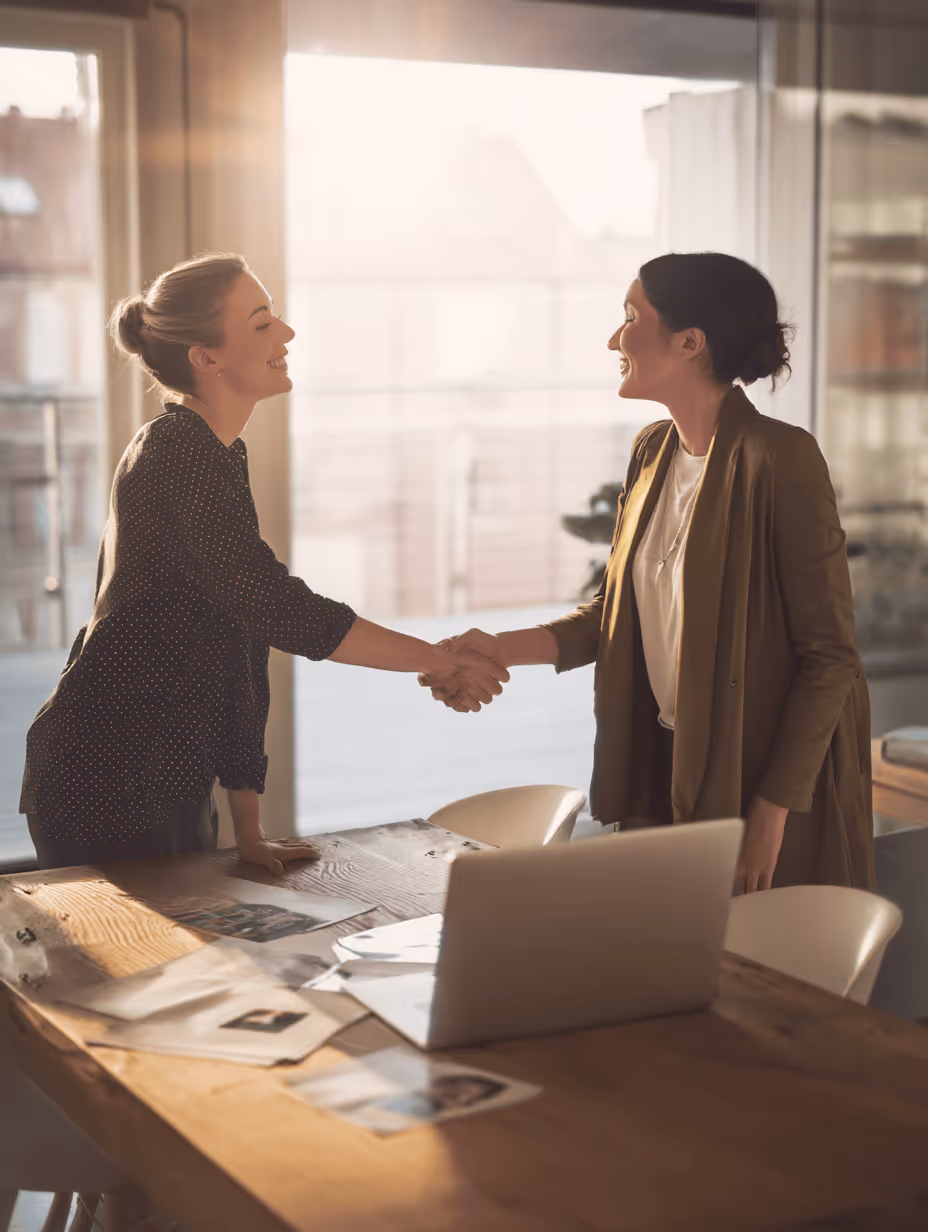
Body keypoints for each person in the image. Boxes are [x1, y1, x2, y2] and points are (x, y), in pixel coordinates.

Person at [20, 253, 508, 874]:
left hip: (164, 772)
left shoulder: (217, 454)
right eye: (260, 323)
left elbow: (240, 641)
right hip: (107, 778)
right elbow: (282, 610)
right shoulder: (176, 453)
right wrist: (440, 660)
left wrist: (249, 831)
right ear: (207, 357)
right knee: (149, 968)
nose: (286, 333)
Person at [424, 252, 874, 894]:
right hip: (664, 764)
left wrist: (771, 815)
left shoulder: (783, 459)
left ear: (690, 343)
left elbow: (830, 658)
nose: (615, 337)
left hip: (767, 785)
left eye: (632, 316)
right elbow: (613, 615)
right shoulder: (651, 451)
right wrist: (499, 649)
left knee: (763, 981)